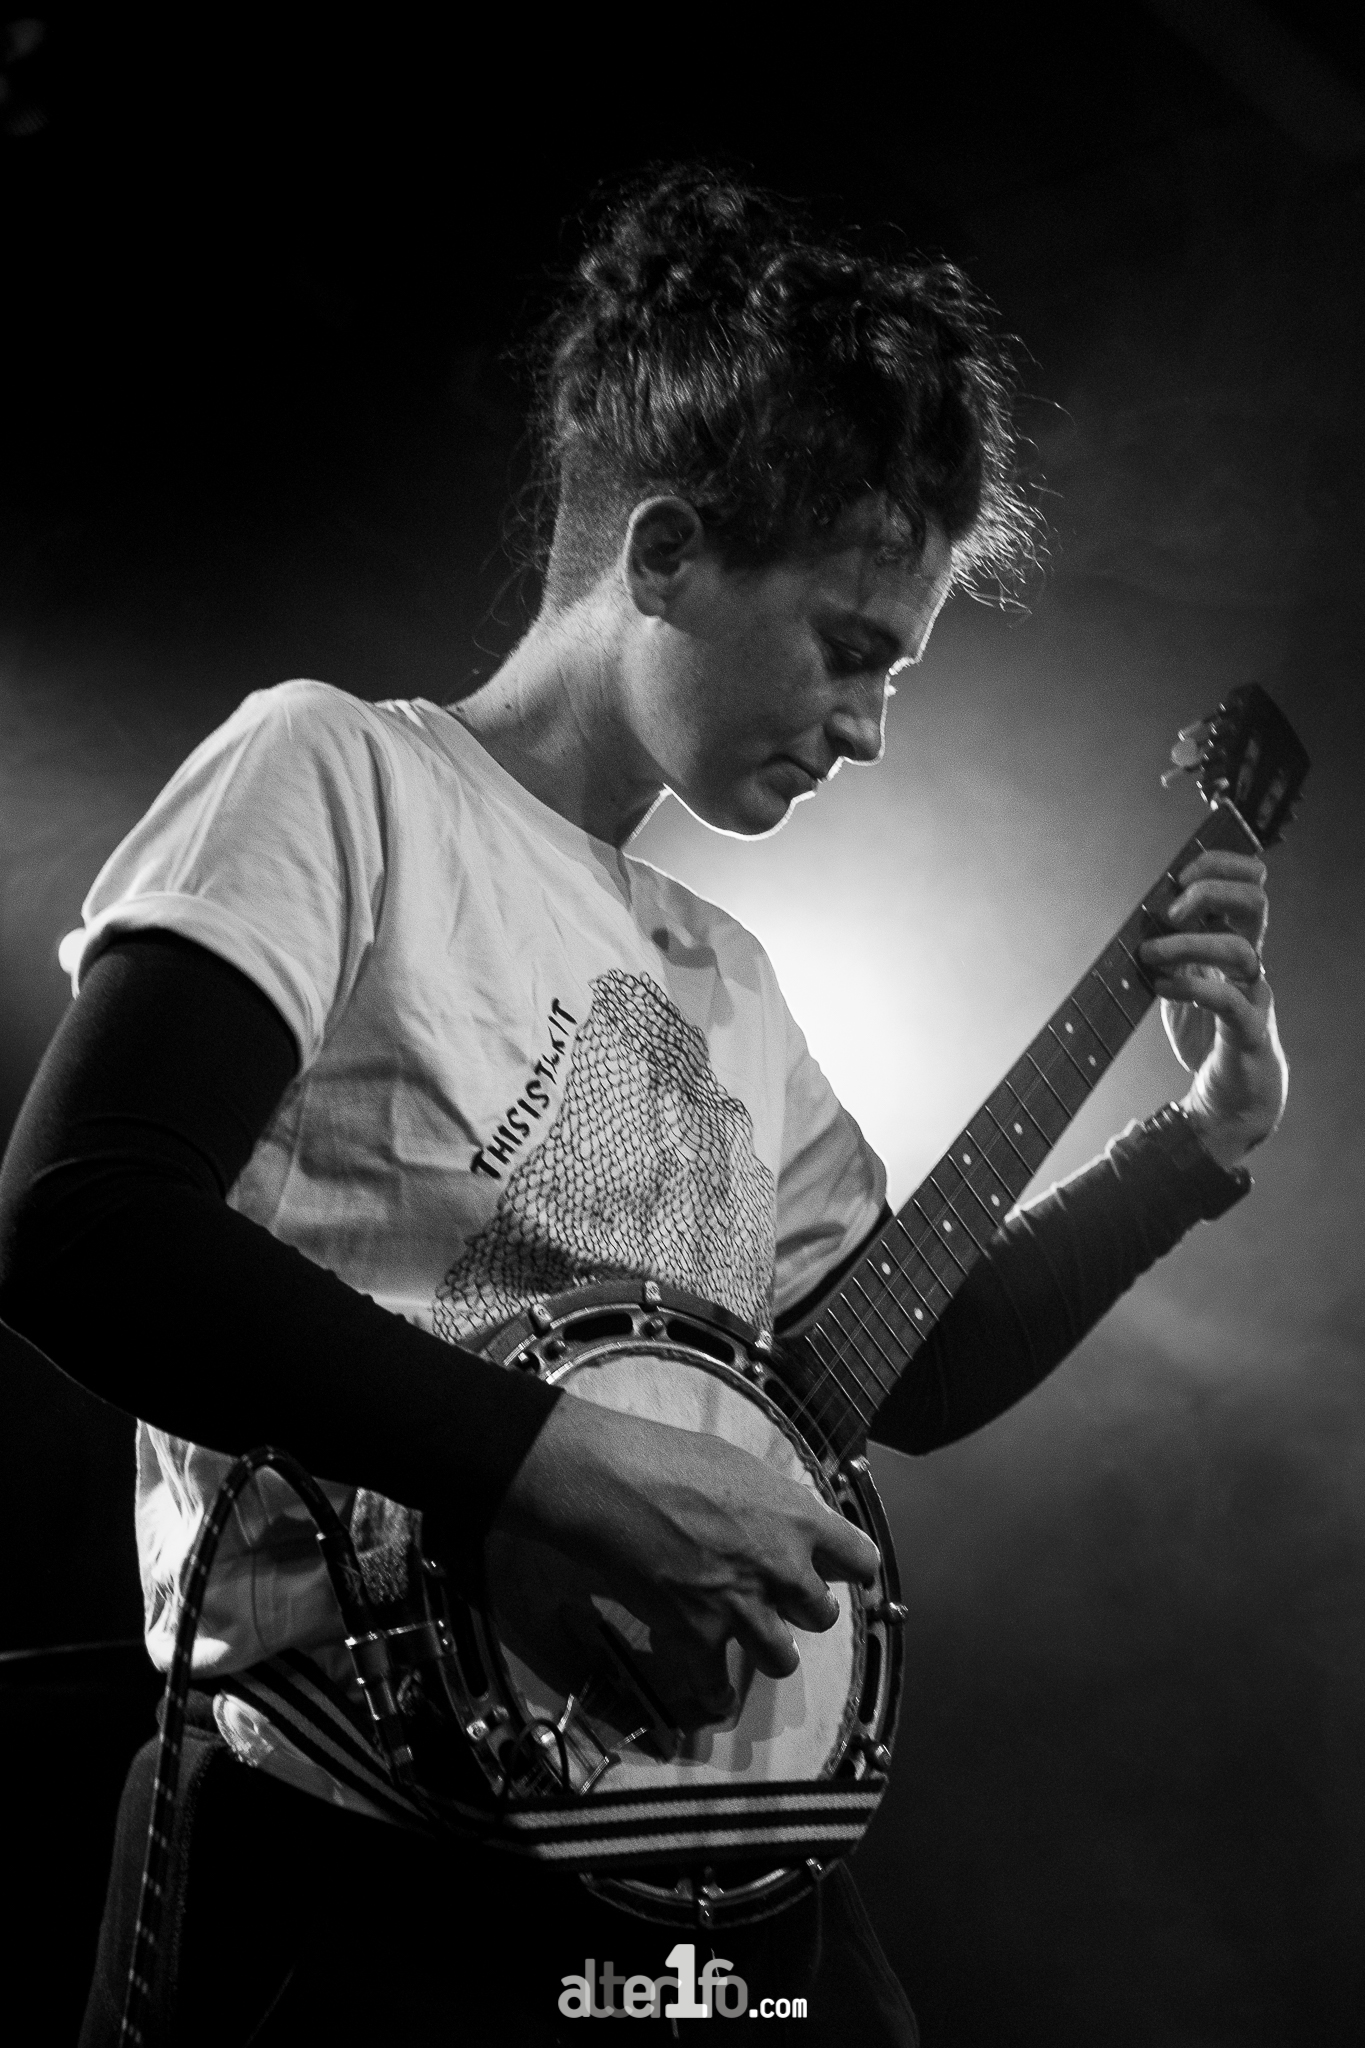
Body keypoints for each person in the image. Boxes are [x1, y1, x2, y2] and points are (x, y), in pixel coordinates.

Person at [0, 167, 1287, 2044]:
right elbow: (82, 1224)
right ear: (666, 554)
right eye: (850, 646)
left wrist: (1195, 1151)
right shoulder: (338, 775)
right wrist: (555, 1461)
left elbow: (901, 1372)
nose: (869, 726)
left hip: (708, 1889)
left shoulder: (731, 976)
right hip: (357, 1876)